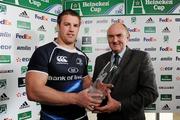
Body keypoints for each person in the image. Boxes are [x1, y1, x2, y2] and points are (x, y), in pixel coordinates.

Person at [25, 9, 102, 120]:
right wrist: (76, 98)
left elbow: (85, 83)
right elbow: (33, 91)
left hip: (81, 117)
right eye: (67, 24)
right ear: (58, 26)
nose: (71, 29)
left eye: (75, 25)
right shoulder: (44, 52)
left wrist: (97, 88)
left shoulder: (82, 55)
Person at [92, 22, 159, 120]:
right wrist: (96, 93)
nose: (115, 40)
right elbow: (95, 90)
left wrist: (120, 105)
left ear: (127, 37)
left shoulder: (141, 58)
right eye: (111, 36)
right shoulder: (100, 59)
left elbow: (151, 93)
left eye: (119, 35)